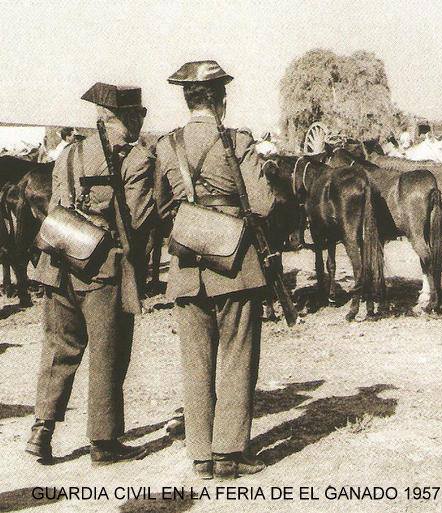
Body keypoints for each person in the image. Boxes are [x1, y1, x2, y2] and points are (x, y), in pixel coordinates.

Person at [155, 60, 273, 480]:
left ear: (188, 100)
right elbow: (261, 204)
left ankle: (201, 455)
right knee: (237, 357)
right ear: (220, 99)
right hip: (234, 264)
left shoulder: (167, 144)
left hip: (186, 264)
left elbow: (159, 207)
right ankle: (228, 454)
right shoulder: (237, 140)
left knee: (195, 362)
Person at [26, 83, 154, 465]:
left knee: (58, 349)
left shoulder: (69, 154)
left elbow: (57, 205)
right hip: (103, 271)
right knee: (108, 354)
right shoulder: (137, 160)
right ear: (129, 118)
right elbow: (139, 219)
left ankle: (41, 431)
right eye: (139, 115)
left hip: (59, 261)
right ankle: (104, 442)